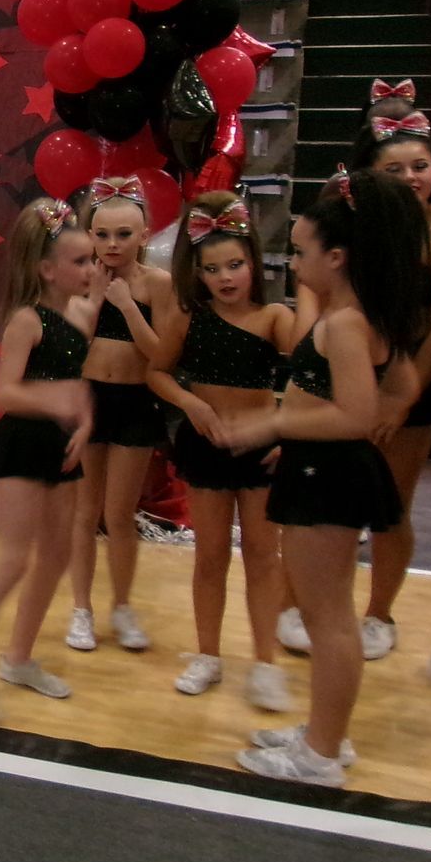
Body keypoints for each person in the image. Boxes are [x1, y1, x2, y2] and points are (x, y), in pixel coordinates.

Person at [229, 168, 426, 786]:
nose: (293, 260)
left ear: (336, 257)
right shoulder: (356, 314)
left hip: (330, 474)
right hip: (326, 466)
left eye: (301, 249)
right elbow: (401, 386)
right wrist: (305, 427)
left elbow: (356, 413)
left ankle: (319, 755)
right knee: (325, 614)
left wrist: (274, 426)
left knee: (327, 618)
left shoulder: (344, 322)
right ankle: (325, 734)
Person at [278, 83, 431, 661]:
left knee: (391, 504)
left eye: (421, 165)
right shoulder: (345, 231)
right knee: (311, 499)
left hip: (405, 383)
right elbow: (312, 297)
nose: (412, 176)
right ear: (366, 174)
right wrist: (309, 362)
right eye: (395, 168)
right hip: (333, 373)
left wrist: (396, 402)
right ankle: (299, 605)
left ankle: (379, 613)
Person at [0, 199, 98, 723]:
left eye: (92, 260)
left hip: (62, 444)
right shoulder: (26, 321)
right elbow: (4, 395)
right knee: (13, 558)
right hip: (23, 444)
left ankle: (19, 657)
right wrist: (53, 400)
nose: (91, 270)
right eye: (80, 262)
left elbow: (81, 386)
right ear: (46, 269)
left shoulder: (83, 314)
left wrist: (85, 420)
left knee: (56, 554)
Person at [145, 193, 298, 704]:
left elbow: (318, 375)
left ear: (255, 262)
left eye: (236, 264)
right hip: (206, 445)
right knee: (210, 556)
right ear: (198, 272)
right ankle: (208, 653)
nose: (226, 277)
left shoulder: (275, 317)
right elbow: (157, 372)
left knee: (262, 554)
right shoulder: (189, 318)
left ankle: (264, 662)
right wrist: (192, 404)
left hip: (261, 451)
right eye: (213, 268)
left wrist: (283, 427)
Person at [65, 177, 169, 654]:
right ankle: (81, 610)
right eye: (102, 234)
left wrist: (127, 307)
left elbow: (161, 355)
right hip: (90, 400)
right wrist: (92, 303)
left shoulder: (158, 285)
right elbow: (67, 351)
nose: (111, 244)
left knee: (120, 515)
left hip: (134, 403)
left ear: (145, 235)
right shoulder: (81, 279)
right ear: (89, 235)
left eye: (123, 234)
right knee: (85, 512)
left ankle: (123, 608)